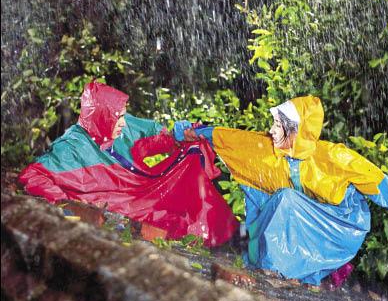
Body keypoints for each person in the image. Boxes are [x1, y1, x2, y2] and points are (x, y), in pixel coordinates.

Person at [174, 95, 388, 286]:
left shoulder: (334, 156)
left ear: (295, 132)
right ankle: (277, 268)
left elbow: (375, 181)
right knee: (279, 201)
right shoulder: (268, 148)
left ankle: (277, 269)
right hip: (302, 214)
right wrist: (197, 133)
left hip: (339, 222)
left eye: (277, 125)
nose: (271, 130)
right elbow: (231, 139)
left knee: (287, 200)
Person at [18, 80, 238, 247]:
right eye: (118, 117)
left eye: (123, 116)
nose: (123, 122)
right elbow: (32, 175)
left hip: (140, 191)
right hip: (117, 204)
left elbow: (156, 139)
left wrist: (179, 136)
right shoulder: (72, 146)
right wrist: (67, 203)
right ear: (102, 117)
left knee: (192, 153)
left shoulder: (122, 127)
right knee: (167, 224)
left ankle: (227, 237)